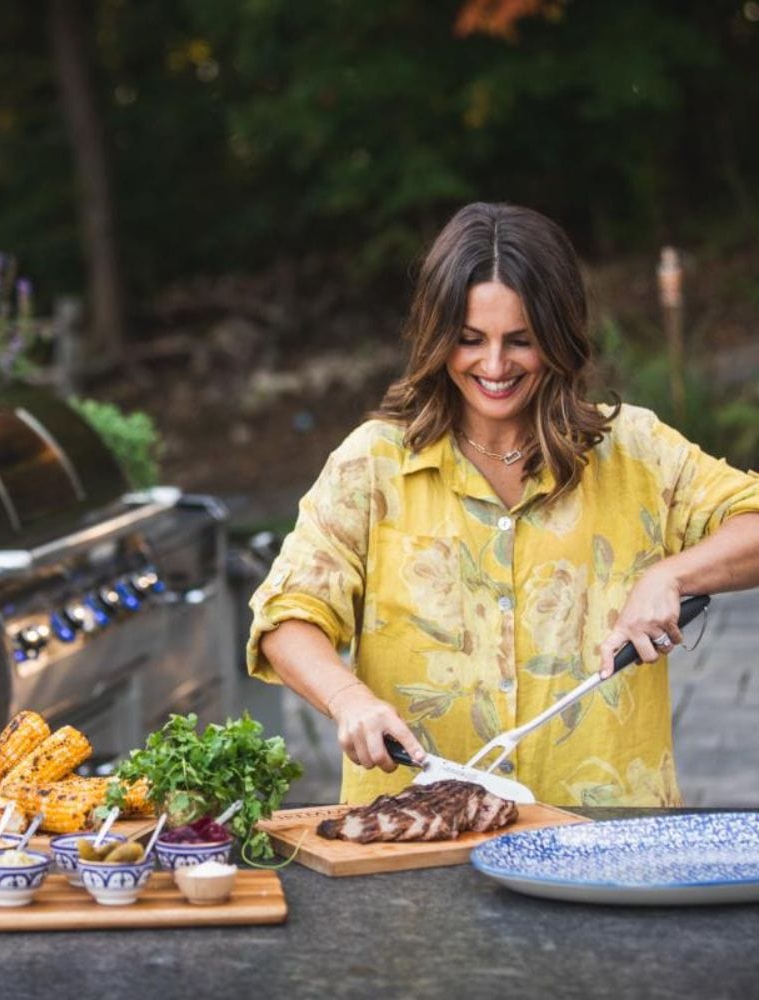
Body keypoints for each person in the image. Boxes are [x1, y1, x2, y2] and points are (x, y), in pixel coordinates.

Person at [247, 202, 759, 807]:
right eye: (469, 341)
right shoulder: (374, 464)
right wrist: (348, 699)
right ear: (439, 340)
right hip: (413, 842)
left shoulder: (636, 452)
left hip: (607, 842)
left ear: (559, 335)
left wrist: (670, 574)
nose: (493, 366)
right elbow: (286, 617)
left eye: (521, 341)